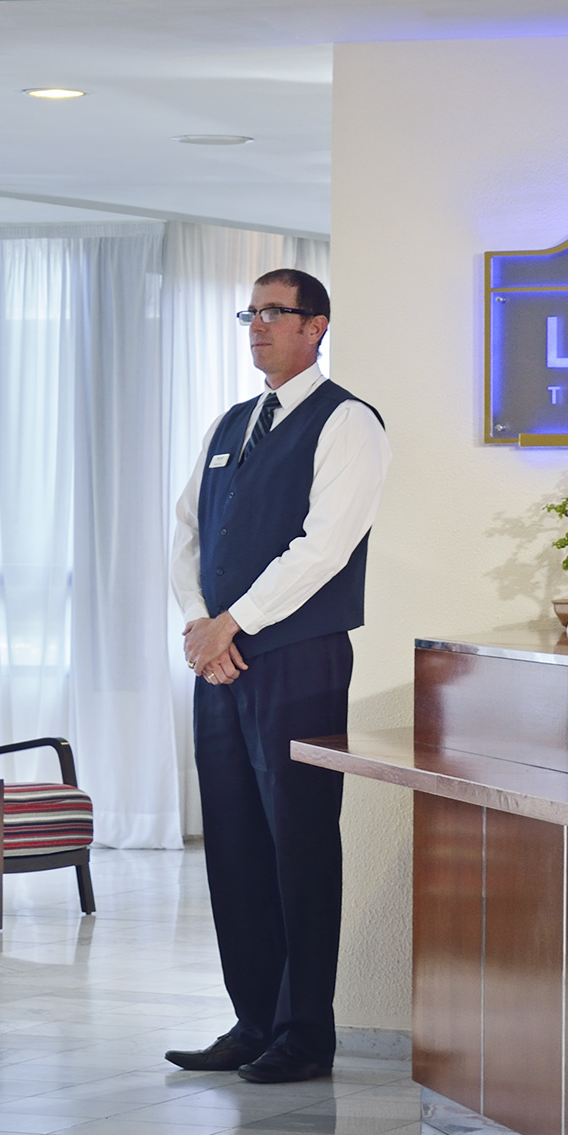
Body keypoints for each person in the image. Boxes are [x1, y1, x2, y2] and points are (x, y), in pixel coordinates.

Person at [164, 269, 389, 1085]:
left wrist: (234, 622)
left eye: (274, 312)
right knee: (232, 839)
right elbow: (186, 528)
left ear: (315, 326)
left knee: (296, 841)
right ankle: (252, 1019)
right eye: (249, 313)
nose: (257, 325)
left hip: (296, 657)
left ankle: (304, 1034)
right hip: (219, 661)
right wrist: (201, 624)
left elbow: (324, 546)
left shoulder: (348, 423)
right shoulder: (231, 423)